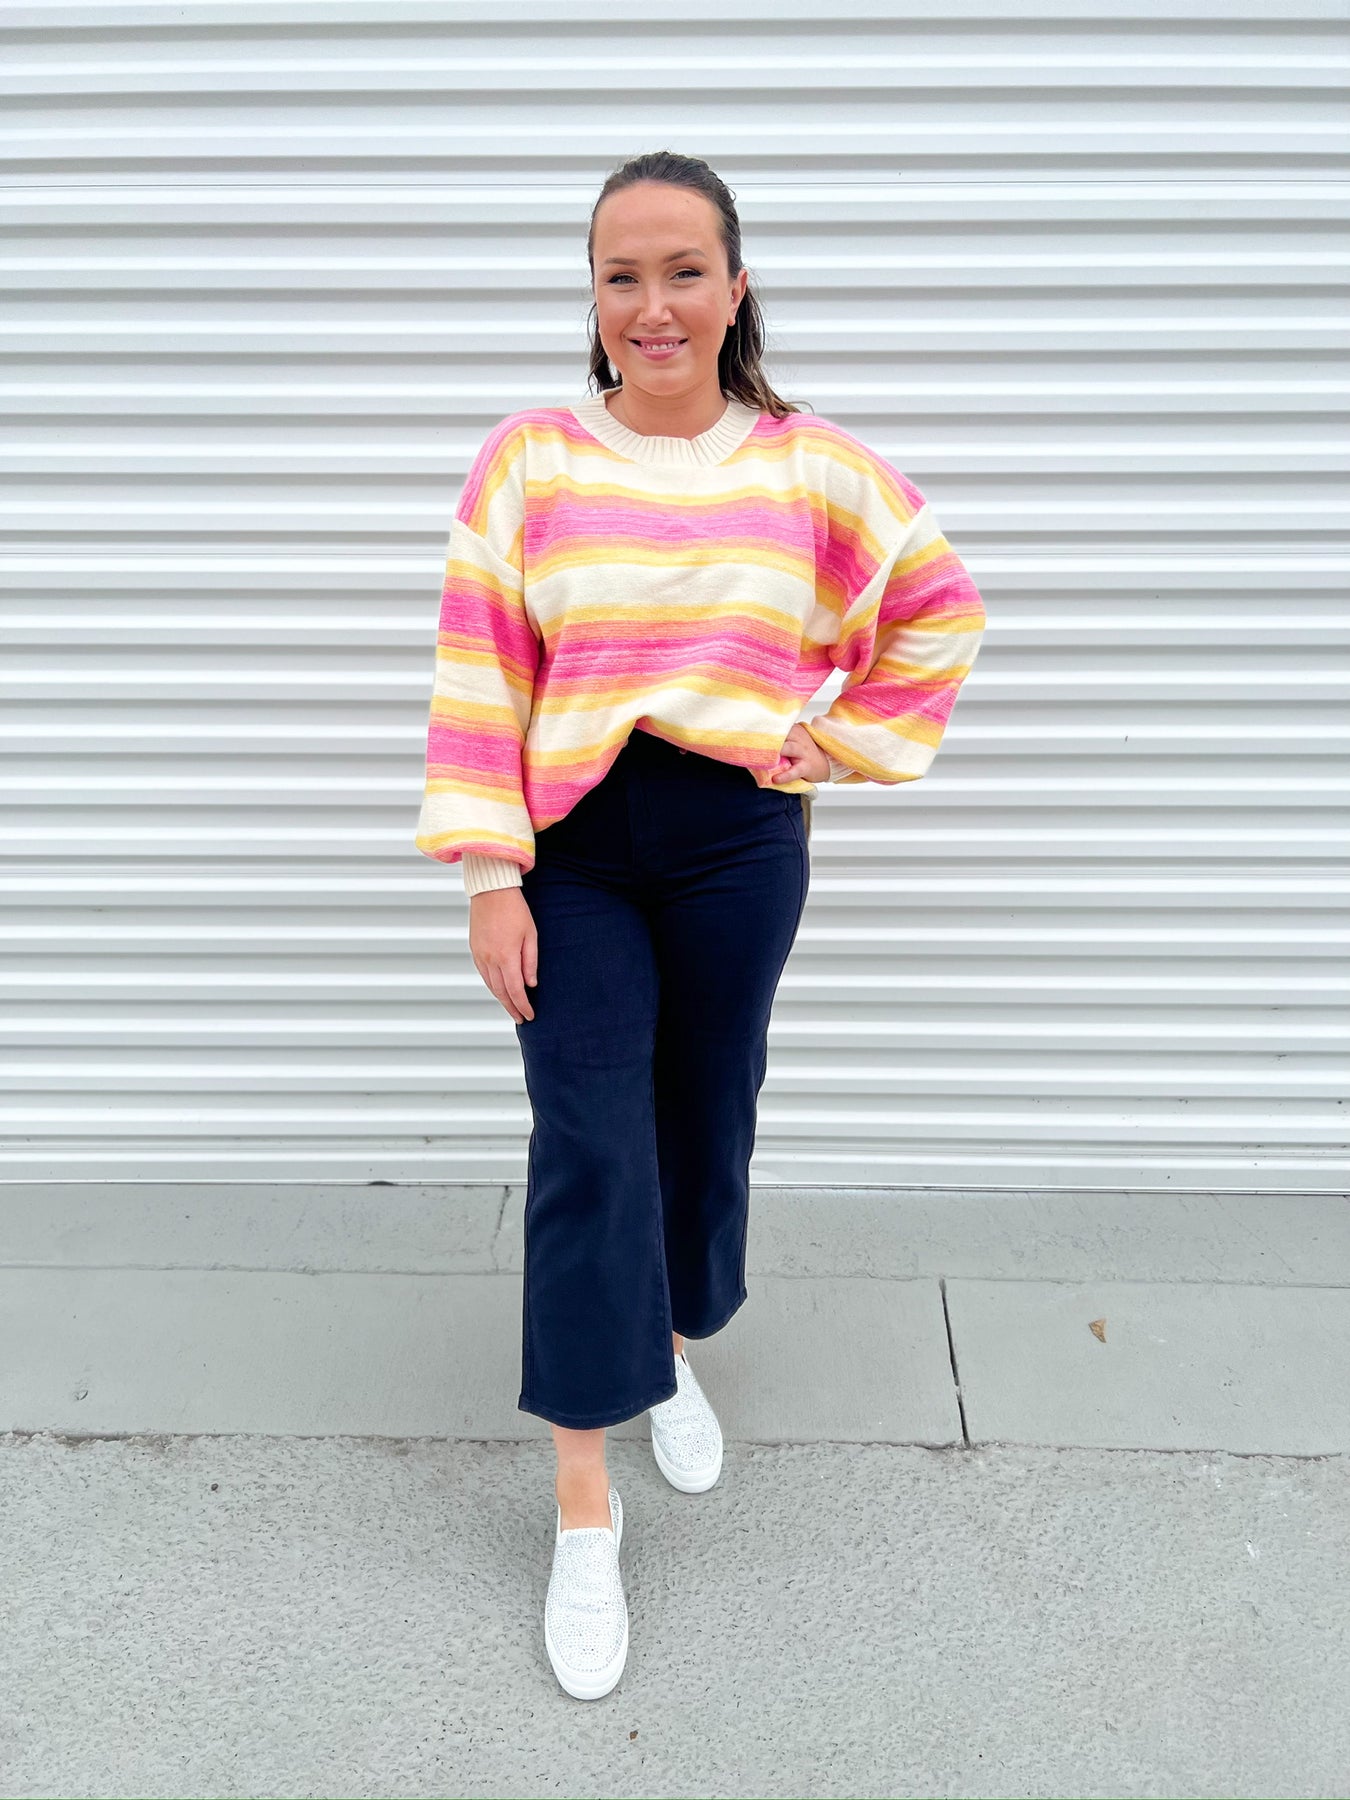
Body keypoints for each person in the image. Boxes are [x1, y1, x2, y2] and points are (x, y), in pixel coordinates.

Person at [415, 149, 986, 1701]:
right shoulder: (530, 462)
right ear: (591, 299)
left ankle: (665, 1343)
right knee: (586, 1139)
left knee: (702, 1109)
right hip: (576, 849)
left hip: (736, 839)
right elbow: (480, 669)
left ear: (736, 289)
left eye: (682, 271)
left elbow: (937, 606)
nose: (651, 305)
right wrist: (487, 875)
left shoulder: (809, 468)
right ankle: (582, 1511)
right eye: (621, 276)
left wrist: (834, 741)